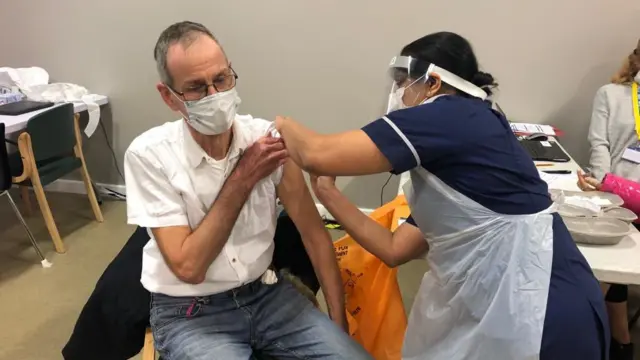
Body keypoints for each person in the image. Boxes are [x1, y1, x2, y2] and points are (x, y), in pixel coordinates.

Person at [275, 32, 609, 360]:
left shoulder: (451, 115)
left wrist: (276, 125)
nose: (397, 93)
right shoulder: (457, 158)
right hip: (515, 301)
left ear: (433, 83)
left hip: (543, 311)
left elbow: (315, 153)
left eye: (404, 81)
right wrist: (328, 193)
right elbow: (394, 249)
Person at [123, 21, 371, 360]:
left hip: (267, 295)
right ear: (169, 96)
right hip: (191, 312)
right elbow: (190, 267)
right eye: (196, 87)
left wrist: (338, 325)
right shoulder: (149, 155)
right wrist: (244, 176)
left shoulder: (264, 140)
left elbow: (315, 236)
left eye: (222, 79)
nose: (215, 96)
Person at [587, 38, 640, 360]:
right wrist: (605, 187)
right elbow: (599, 144)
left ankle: (610, 340)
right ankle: (618, 340)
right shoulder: (612, 94)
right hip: (617, 194)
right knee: (610, 256)